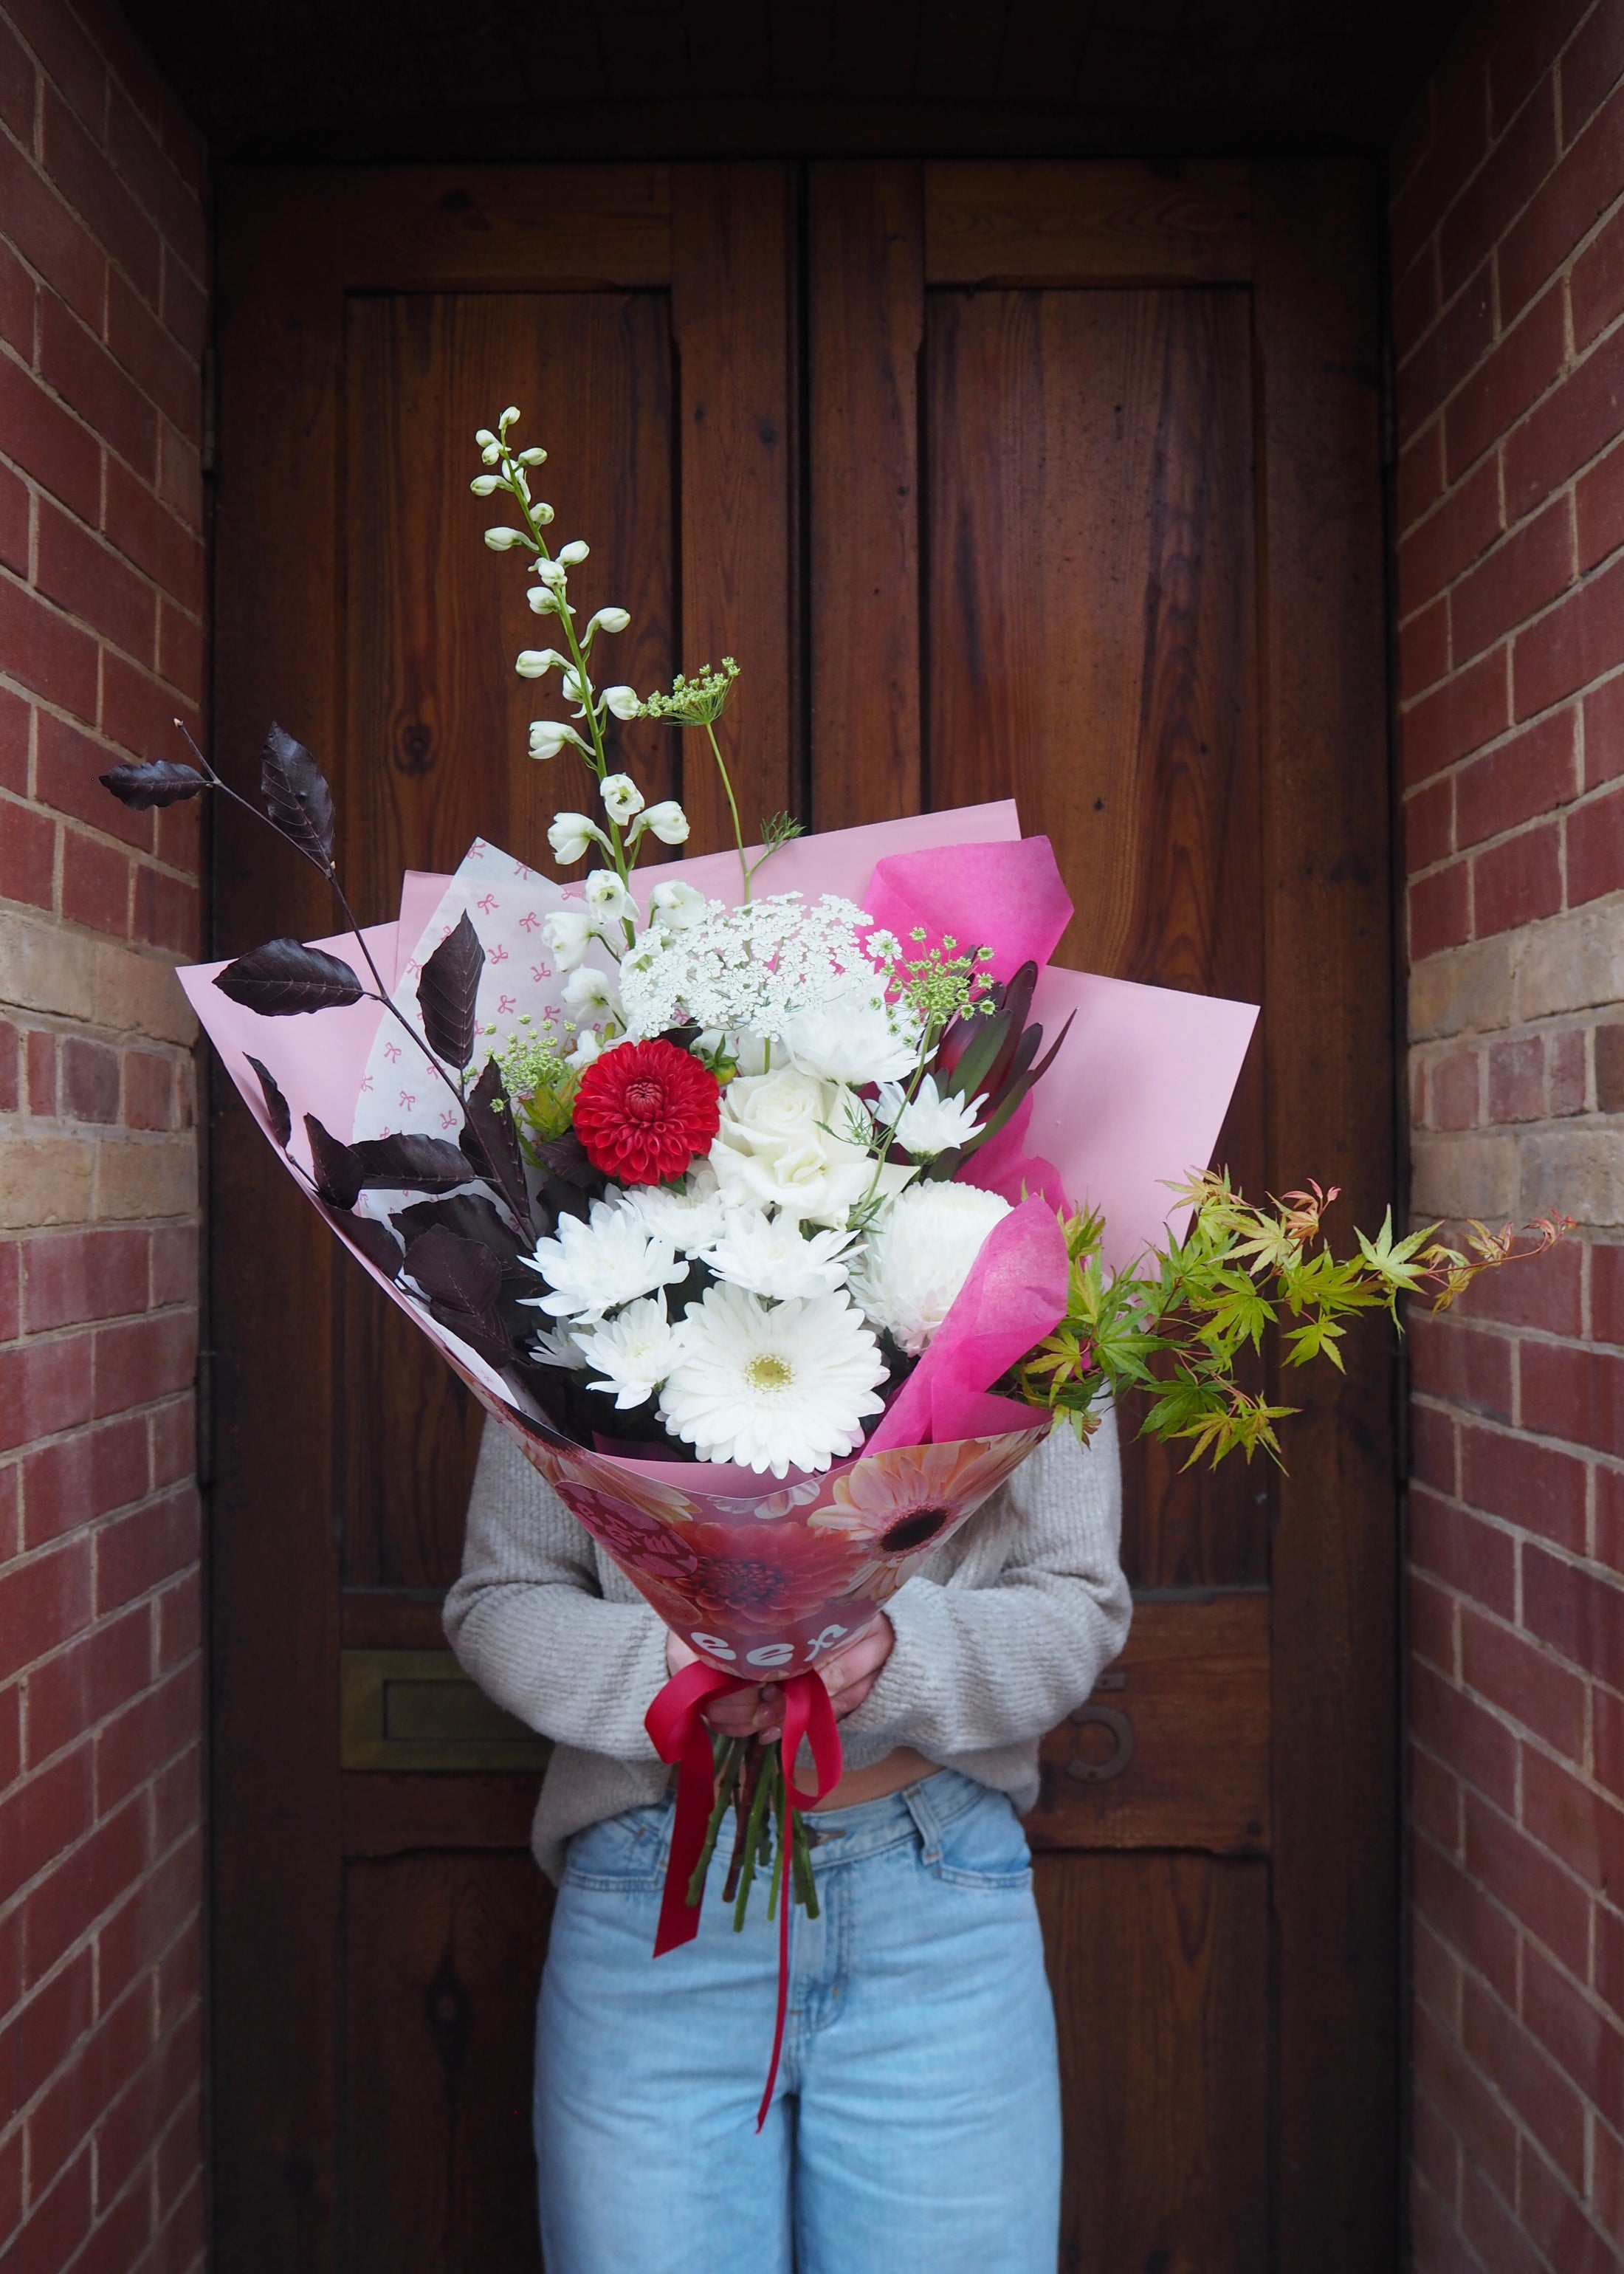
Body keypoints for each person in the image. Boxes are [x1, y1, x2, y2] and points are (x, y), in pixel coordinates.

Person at [444, 1405, 1129, 2274]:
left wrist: (894, 1649)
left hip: (936, 1914)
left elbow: (1075, 1601)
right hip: (652, 1906)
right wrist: (672, 1671)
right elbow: (501, 1602)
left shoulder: (1049, 1326)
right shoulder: (564, 1321)